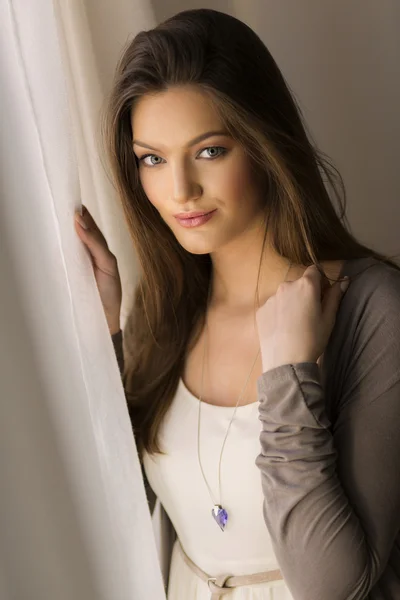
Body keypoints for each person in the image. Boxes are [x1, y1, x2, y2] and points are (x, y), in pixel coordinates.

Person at [74, 8, 400, 600]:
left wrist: (289, 375)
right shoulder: (163, 308)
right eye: (152, 158)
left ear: (264, 143)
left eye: (209, 151)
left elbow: (334, 586)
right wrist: (105, 339)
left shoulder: (370, 308)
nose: (179, 192)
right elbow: (119, 506)